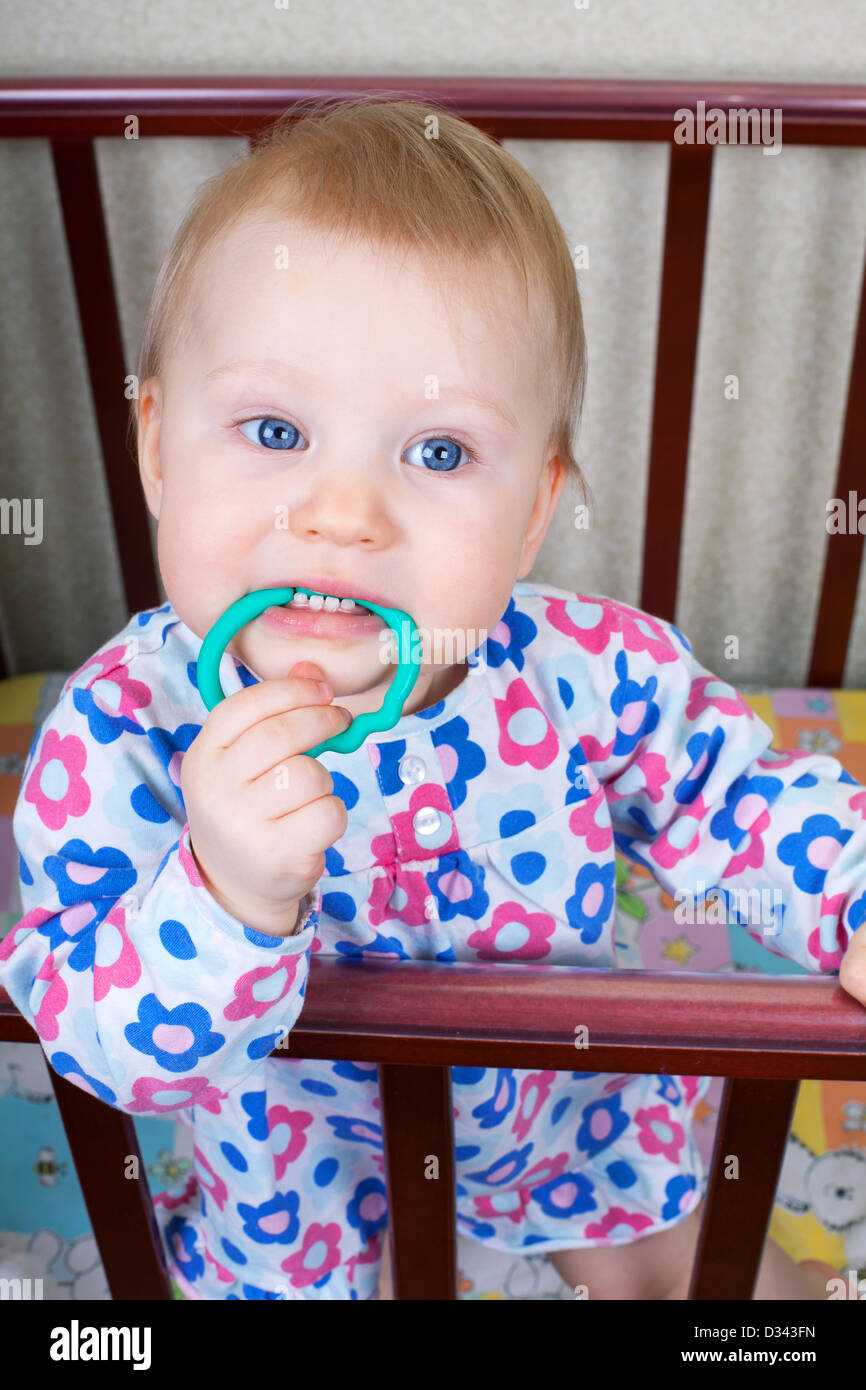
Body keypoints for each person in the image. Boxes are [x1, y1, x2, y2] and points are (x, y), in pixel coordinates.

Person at [2, 95, 864, 1302]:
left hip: (567, 1105)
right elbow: (107, 1049)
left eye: (440, 452)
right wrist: (225, 893)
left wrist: (848, 893)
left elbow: (742, 796)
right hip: (293, 1158)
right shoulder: (119, 733)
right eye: (272, 427)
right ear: (156, 449)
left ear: (529, 511)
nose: (344, 512)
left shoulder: (584, 670)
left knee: (715, 1275)